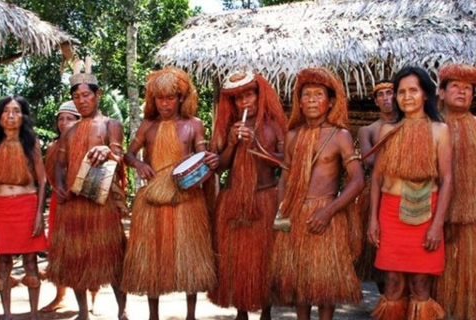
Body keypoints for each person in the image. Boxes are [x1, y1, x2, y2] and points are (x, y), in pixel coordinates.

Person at [121, 67, 218, 320]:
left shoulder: (194, 125)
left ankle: (190, 315)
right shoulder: (148, 126)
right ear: (153, 100)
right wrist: (139, 164)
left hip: (186, 198)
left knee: (190, 259)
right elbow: (128, 154)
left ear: (180, 98)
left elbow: (202, 155)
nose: (164, 104)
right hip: (152, 199)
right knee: (151, 258)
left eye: (170, 98)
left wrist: (202, 158)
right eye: (159, 98)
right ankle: (153, 315)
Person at [270, 67, 364, 320]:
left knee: (326, 286)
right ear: (299, 102)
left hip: (327, 216)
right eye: (306, 94)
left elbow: (357, 180)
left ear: (330, 101)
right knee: (301, 284)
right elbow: (285, 180)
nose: (311, 99)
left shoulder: (340, 135)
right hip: (296, 214)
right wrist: (283, 213)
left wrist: (329, 211)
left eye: (318, 94)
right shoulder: (292, 136)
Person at [368, 66, 451, 320]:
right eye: (400, 92)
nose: (406, 97)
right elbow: (377, 178)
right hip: (390, 214)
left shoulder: (440, 131)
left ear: (425, 94)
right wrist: (372, 219)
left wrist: (437, 225)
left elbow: (447, 179)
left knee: (420, 284)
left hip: (427, 213)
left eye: (413, 90)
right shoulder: (388, 131)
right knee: (392, 283)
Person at [47, 59, 127, 320]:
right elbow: (59, 165)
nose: (81, 101)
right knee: (76, 259)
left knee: (113, 257)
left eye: (86, 95)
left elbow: (119, 156)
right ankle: (82, 312)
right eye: (76, 97)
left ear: (97, 95)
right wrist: (58, 186)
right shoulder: (70, 133)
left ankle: (122, 311)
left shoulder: (110, 125)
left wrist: (107, 150)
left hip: (101, 204)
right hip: (74, 205)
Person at [207, 69, 287, 320]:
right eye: (238, 98)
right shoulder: (227, 127)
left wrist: (256, 144)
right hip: (233, 201)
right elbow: (218, 166)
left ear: (259, 95)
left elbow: (286, 164)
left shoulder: (274, 127)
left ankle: (266, 312)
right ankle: (241, 312)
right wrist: (231, 143)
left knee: (265, 260)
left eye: (249, 94)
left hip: (265, 200)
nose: (245, 102)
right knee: (238, 260)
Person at [41, 101, 100, 314]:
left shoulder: (89, 143)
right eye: (60, 118)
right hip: (62, 203)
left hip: (86, 203)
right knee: (62, 251)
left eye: (69, 118)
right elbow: (49, 176)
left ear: (79, 121)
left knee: (90, 250)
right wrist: (60, 189)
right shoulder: (52, 147)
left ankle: (94, 300)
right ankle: (60, 296)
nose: (63, 122)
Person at [0, 95, 47, 320]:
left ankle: (34, 314)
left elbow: (42, 180)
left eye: (16, 111)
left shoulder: (31, 142)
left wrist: (39, 215)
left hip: (26, 205)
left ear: (23, 116)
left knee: (30, 261)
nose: (10, 115)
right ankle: (7, 314)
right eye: (6, 111)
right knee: (3, 262)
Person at [434, 63, 476, 320]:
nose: (462, 92)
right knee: (435, 281)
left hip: (472, 218)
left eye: (468, 88)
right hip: (434, 218)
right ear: (441, 92)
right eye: (456, 87)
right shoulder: (431, 127)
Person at [355, 80, 396, 292]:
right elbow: (368, 161)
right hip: (376, 192)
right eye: (381, 95)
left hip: (402, 191)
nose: (386, 98)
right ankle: (386, 299)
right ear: (375, 101)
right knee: (378, 249)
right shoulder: (367, 130)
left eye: (390, 93)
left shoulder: (409, 125)